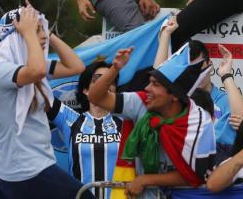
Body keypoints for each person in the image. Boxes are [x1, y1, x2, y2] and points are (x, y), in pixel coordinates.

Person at [0, 5, 93, 199]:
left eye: (42, 27)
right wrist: (29, 34)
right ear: (16, 37)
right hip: (25, 171)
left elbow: (76, 66)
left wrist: (48, 34)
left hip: (37, 168)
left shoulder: (30, 66)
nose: (42, 34)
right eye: (37, 29)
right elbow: (37, 72)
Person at [88, 44, 216, 198]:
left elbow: (195, 175)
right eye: (149, 82)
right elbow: (95, 97)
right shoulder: (140, 102)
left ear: (174, 96)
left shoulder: (199, 123)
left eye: (155, 84)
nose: (147, 88)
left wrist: (146, 180)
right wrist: (115, 68)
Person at [155, 17, 243, 162]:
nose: (194, 75)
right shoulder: (179, 99)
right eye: (189, 69)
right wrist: (165, 36)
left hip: (222, 165)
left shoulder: (224, 99)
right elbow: (158, 80)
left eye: (198, 67)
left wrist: (226, 75)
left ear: (209, 64)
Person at [47, 59, 136, 199]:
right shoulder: (70, 119)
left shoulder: (127, 122)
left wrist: (164, 37)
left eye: (111, 81)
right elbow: (37, 88)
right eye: (99, 79)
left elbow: (157, 92)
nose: (106, 84)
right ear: (86, 90)